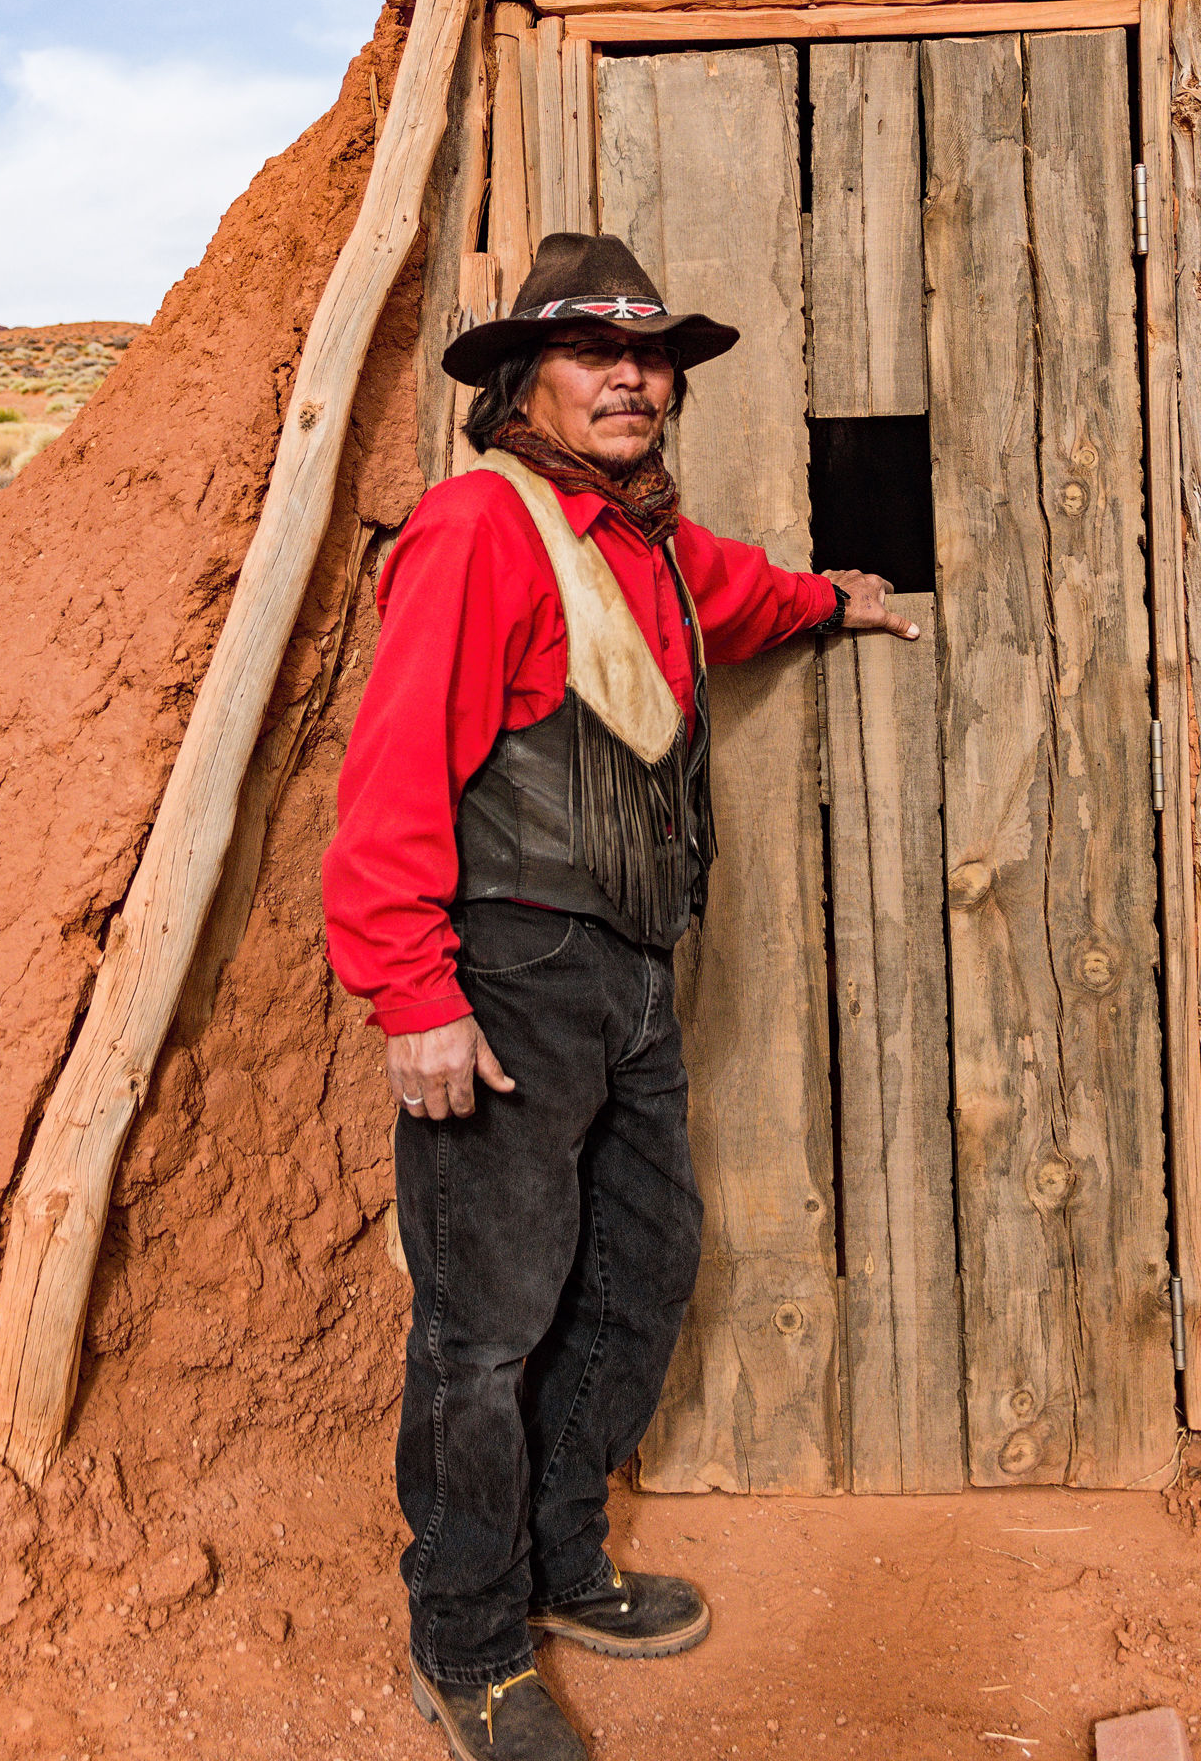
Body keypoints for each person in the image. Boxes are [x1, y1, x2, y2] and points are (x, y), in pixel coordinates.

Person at [323, 233, 917, 1761]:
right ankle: (467, 1640)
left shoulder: (642, 538)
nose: (634, 379)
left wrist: (830, 600)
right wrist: (414, 996)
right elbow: (391, 777)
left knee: (639, 1274)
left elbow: (727, 594)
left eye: (652, 357)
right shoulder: (477, 526)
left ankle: (563, 1563)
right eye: (597, 353)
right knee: (486, 1326)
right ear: (525, 380)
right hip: (506, 979)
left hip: (631, 978)